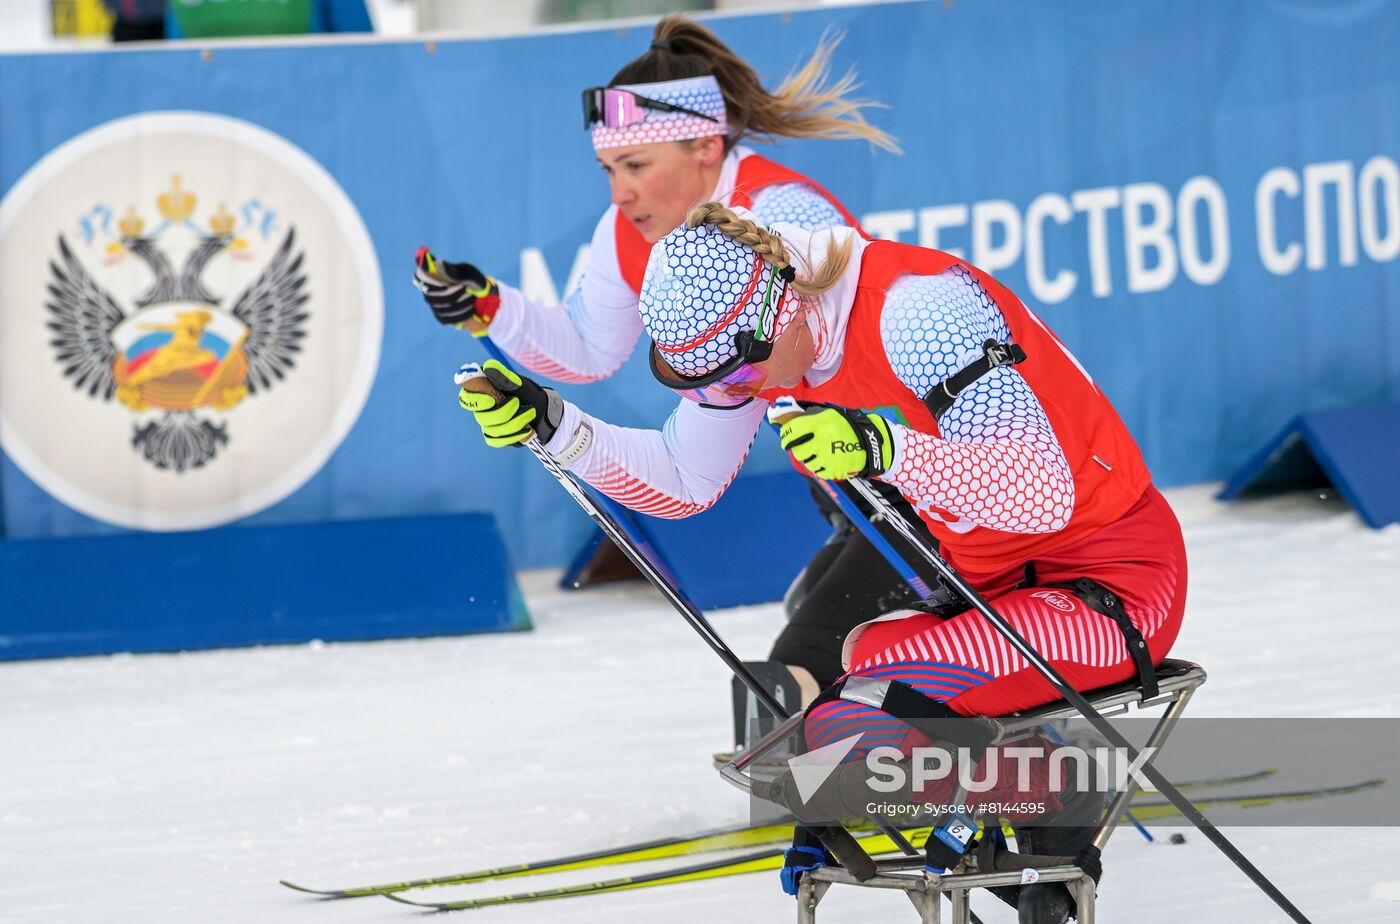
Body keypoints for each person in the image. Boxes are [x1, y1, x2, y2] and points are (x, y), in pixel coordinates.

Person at [454, 202, 1187, 923]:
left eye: (742, 377)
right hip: (993, 595)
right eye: (717, 385)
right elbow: (684, 480)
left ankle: (1053, 798)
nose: (741, 395)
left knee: (860, 726)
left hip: (1112, 584)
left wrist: (884, 449)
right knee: (853, 685)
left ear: (790, 309)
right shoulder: (758, 335)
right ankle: (1031, 832)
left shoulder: (917, 313)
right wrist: (559, 429)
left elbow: (1040, 494)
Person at [416, 15, 908, 707]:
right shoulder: (639, 231)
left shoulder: (783, 222)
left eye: (637, 166)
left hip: (923, 479)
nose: (619, 193)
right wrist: (493, 309)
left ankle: (993, 739)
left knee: (805, 669)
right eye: (610, 169)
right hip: (851, 485)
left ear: (707, 145)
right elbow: (591, 349)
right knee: (807, 650)